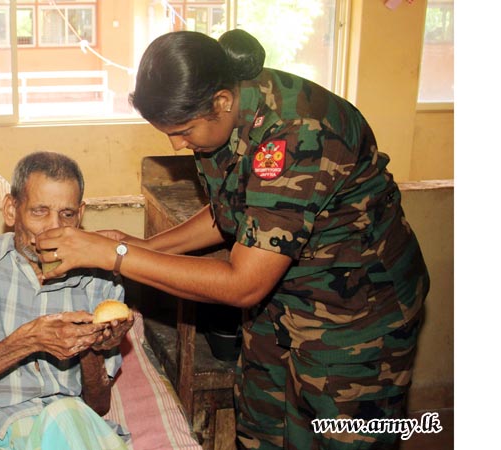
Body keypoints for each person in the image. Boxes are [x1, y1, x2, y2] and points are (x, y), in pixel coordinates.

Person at [36, 30, 430, 449]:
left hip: (355, 318)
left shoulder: (297, 135)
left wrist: (115, 255)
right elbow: (234, 207)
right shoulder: (221, 114)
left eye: (184, 131)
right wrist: (142, 246)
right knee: (262, 432)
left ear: (222, 101)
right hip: (281, 302)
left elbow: (244, 284)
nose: (176, 144)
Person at [0, 151, 133, 450]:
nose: (54, 228)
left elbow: (99, 406)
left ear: (80, 215)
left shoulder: (101, 277)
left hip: (75, 427)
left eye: (67, 214)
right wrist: (27, 341)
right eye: (39, 211)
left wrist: (91, 345)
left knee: (65, 412)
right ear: (11, 210)